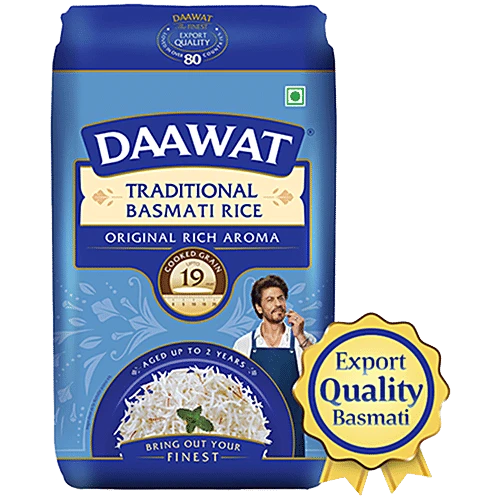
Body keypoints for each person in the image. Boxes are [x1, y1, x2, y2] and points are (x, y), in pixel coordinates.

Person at [233, 275, 315, 457]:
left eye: (281, 298)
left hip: (292, 429)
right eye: (270, 300)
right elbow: (236, 393)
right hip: (254, 432)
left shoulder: (302, 340)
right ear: (258, 307)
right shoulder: (244, 344)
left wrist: (300, 336)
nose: (278, 304)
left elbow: (319, 373)